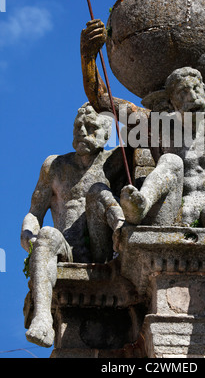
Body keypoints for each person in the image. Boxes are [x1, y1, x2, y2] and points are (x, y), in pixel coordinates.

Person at [80, 19, 205, 308]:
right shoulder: (161, 127)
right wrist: (89, 57)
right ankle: (141, 203)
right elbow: (101, 99)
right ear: (173, 102)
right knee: (170, 160)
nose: (191, 95)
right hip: (177, 212)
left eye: (195, 88)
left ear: (204, 89)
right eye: (182, 93)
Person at [21, 102, 130, 347]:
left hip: (101, 247)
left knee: (98, 191)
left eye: (90, 127)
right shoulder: (55, 165)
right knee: (47, 234)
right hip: (66, 249)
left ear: (106, 134)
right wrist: (30, 237)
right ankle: (42, 318)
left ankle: (121, 231)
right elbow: (34, 215)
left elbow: (144, 133)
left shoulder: (115, 162)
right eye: (77, 126)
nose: (82, 131)